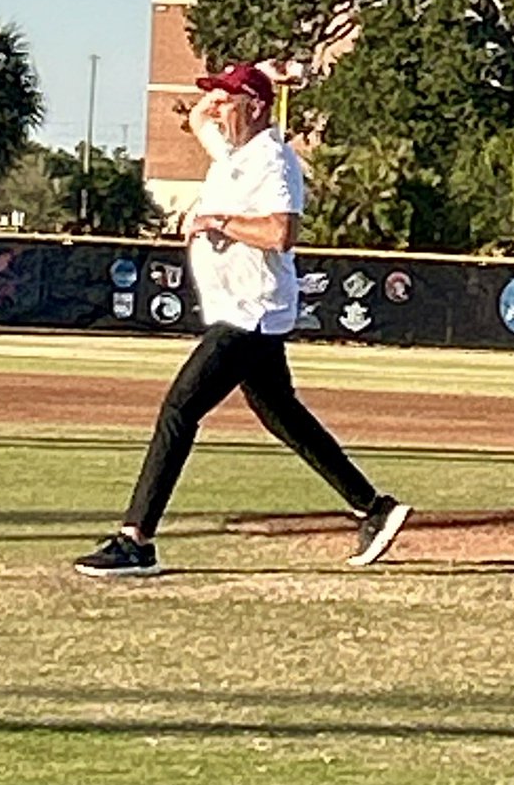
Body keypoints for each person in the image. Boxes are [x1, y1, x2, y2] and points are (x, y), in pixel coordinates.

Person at [74, 63, 411, 577]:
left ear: (255, 108)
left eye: (232, 99)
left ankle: (136, 538)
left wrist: (218, 222)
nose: (219, 107)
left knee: (179, 410)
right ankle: (373, 507)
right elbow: (199, 112)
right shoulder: (233, 153)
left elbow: (281, 233)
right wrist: (260, 72)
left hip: (250, 313)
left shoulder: (273, 160)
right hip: (242, 310)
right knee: (282, 414)